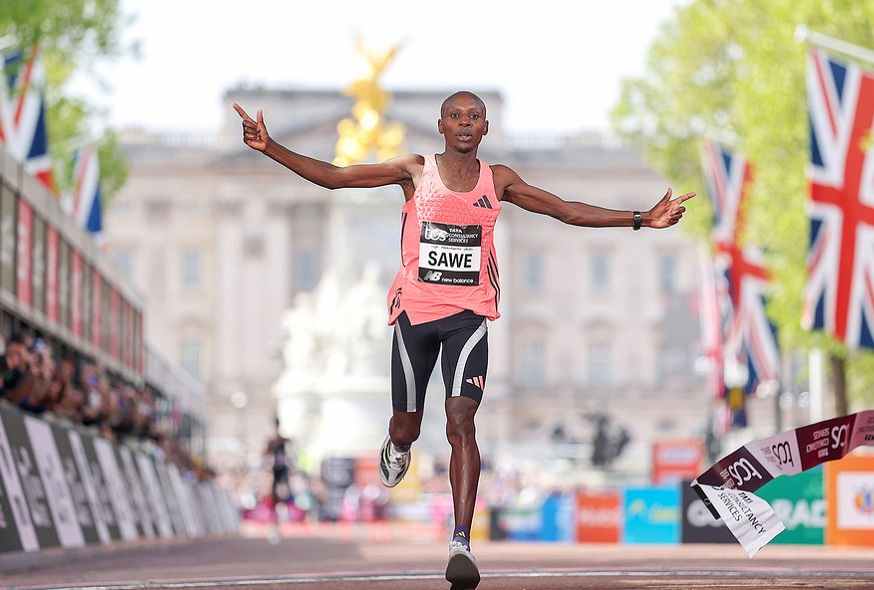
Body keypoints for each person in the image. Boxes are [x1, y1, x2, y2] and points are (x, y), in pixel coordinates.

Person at [234, 92, 694, 589]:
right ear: (441, 125)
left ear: (486, 128)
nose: (465, 124)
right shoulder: (414, 171)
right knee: (408, 426)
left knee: (460, 422)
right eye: (456, 117)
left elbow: (564, 210)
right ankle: (397, 443)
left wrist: (640, 219)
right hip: (415, 317)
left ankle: (460, 541)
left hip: (468, 319)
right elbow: (338, 177)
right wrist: (271, 148)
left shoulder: (499, 181)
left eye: (474, 117)